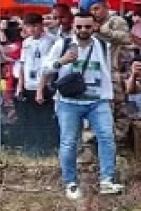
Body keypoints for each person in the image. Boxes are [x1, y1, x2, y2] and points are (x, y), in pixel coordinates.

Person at [38, 11, 124, 200]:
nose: (83, 30)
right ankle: (71, 183)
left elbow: (106, 72)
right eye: (79, 26)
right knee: (69, 142)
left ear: (94, 27)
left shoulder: (102, 45)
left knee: (106, 137)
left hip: (97, 100)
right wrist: (62, 61)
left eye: (87, 26)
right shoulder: (63, 44)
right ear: (74, 27)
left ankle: (107, 180)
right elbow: (44, 68)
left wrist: (109, 97)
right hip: (68, 102)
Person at [12, 13, 58, 154]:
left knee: (43, 118)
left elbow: (49, 66)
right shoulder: (27, 42)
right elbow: (22, 63)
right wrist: (20, 85)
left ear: (41, 25)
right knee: (29, 118)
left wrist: (40, 88)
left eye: (35, 26)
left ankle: (44, 147)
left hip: (43, 84)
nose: (32, 29)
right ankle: (31, 147)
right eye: (28, 26)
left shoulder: (51, 41)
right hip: (28, 84)